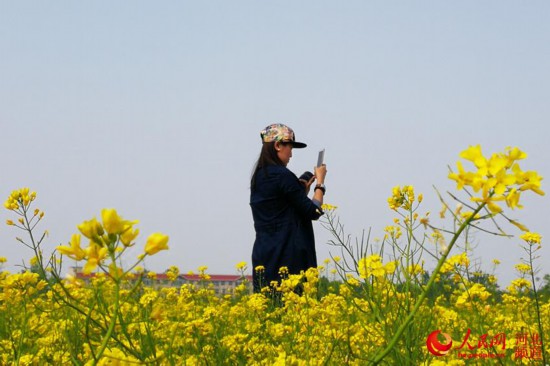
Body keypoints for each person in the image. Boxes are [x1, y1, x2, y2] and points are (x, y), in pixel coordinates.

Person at [250, 123, 327, 293]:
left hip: (264, 256)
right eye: (290, 147)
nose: (291, 154)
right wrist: (320, 183)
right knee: (292, 311)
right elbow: (313, 211)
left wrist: (301, 191)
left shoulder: (259, 177)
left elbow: (282, 208)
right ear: (277, 145)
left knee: (269, 308)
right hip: (288, 259)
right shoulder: (282, 175)